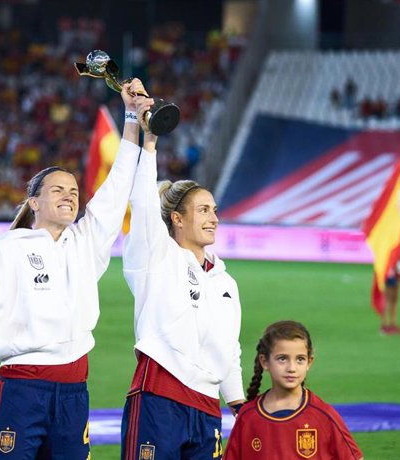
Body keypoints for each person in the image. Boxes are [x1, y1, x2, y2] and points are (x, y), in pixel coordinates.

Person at [0, 79, 150, 460]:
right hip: (22, 390)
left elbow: (117, 185)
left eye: (74, 191)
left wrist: (130, 116)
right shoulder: (6, 250)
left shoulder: (86, 242)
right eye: (58, 190)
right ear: (34, 203)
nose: (70, 195)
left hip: (75, 392)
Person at [120, 118, 244, 459]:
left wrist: (239, 404)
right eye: (203, 210)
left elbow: (229, 349)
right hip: (159, 398)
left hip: (207, 407)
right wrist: (148, 145)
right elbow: (144, 206)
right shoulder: (156, 258)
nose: (214, 218)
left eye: (215, 210)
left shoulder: (226, 283)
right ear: (177, 218)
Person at [223, 321, 363, 460]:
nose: (291, 368)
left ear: (309, 362)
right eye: (282, 359)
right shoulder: (248, 417)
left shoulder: (324, 415)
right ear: (264, 361)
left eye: (300, 359)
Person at [381, 259, 400, 336]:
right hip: (392, 274)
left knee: (388, 300)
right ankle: (390, 325)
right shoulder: (397, 250)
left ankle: (387, 325)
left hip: (386, 272)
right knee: (392, 301)